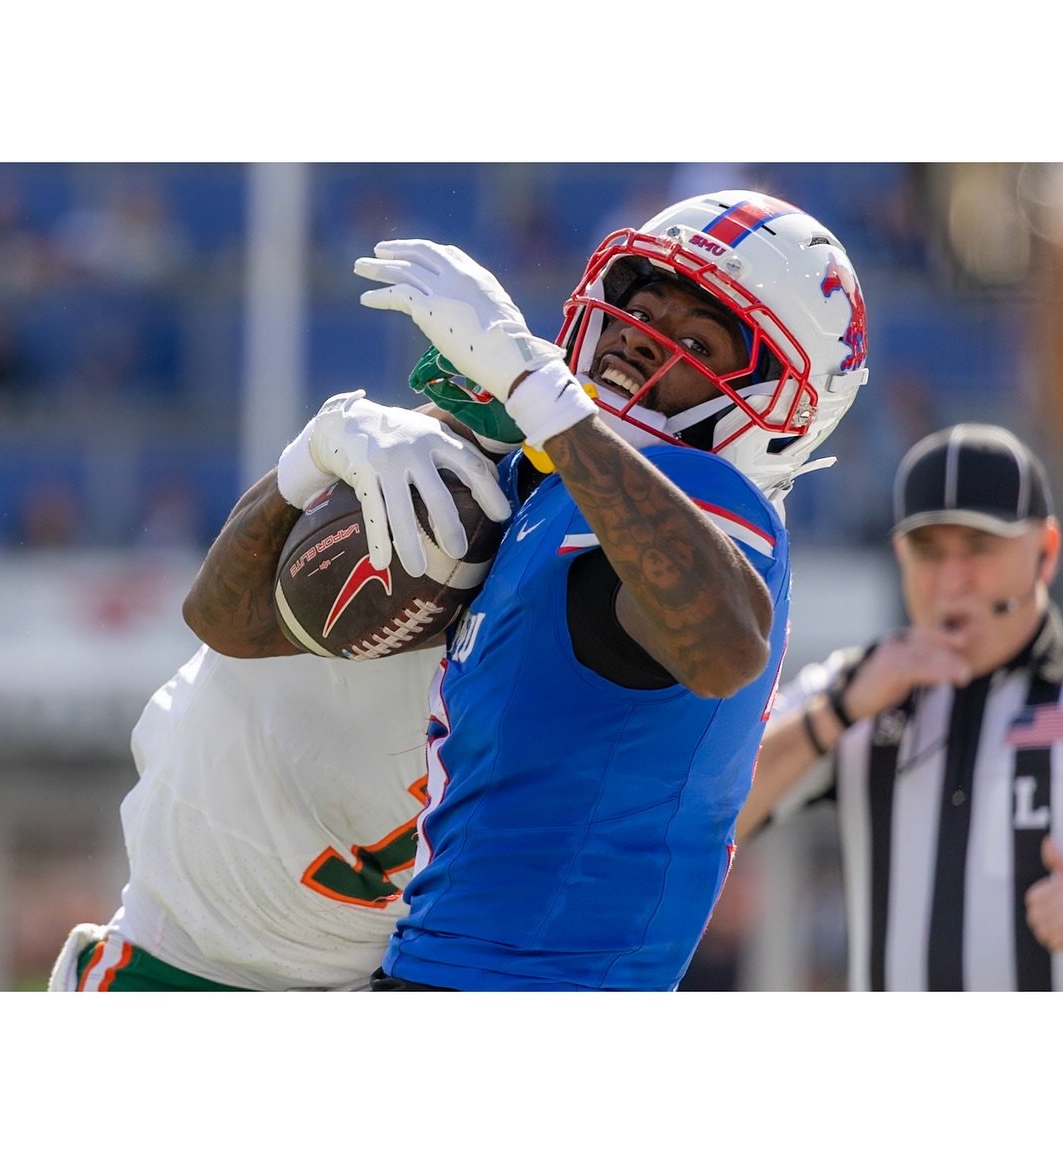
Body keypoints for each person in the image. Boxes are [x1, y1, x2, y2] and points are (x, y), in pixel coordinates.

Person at [193, 189, 871, 990]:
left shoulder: (707, 494)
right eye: (640, 306)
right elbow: (224, 618)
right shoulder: (537, 481)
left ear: (781, 414)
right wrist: (315, 451)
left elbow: (725, 648)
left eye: (696, 338)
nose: (642, 338)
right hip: (436, 966)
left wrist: (538, 391)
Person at [48, 390, 512, 990]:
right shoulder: (460, 465)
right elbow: (218, 615)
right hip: (178, 954)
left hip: (368, 969)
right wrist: (311, 459)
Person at [737, 422, 1063, 991]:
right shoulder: (855, 684)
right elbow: (718, 812)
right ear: (900, 554)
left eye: (980, 547)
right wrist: (840, 712)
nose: (951, 580)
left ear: (1046, 551)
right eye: (928, 550)